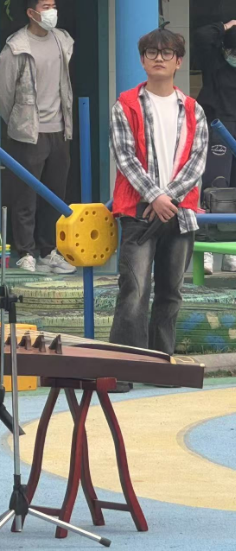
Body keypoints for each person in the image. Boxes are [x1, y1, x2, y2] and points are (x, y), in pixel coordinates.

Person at [109, 28, 208, 392]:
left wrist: (169, 198)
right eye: (152, 52)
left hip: (180, 214)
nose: (159, 58)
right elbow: (124, 157)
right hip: (139, 213)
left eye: (167, 53)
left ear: (179, 62)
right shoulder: (125, 105)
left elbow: (197, 163)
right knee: (133, 290)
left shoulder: (194, 109)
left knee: (170, 293)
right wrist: (155, 196)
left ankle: (160, 366)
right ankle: (122, 369)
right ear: (142, 60)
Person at [0, 0, 76, 274]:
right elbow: (2, 94)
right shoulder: (17, 46)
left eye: (53, 5)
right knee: (25, 195)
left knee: (55, 194)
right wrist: (20, 121)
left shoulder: (62, 40)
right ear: (31, 13)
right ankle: (25, 252)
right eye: (45, 6)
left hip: (60, 129)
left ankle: (48, 250)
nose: (52, 10)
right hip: (29, 133)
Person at [194, 20, 236, 274]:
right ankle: (207, 247)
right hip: (218, 130)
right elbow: (201, 36)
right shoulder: (215, 63)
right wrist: (226, 25)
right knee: (215, 188)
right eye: (231, 51)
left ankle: (231, 250)